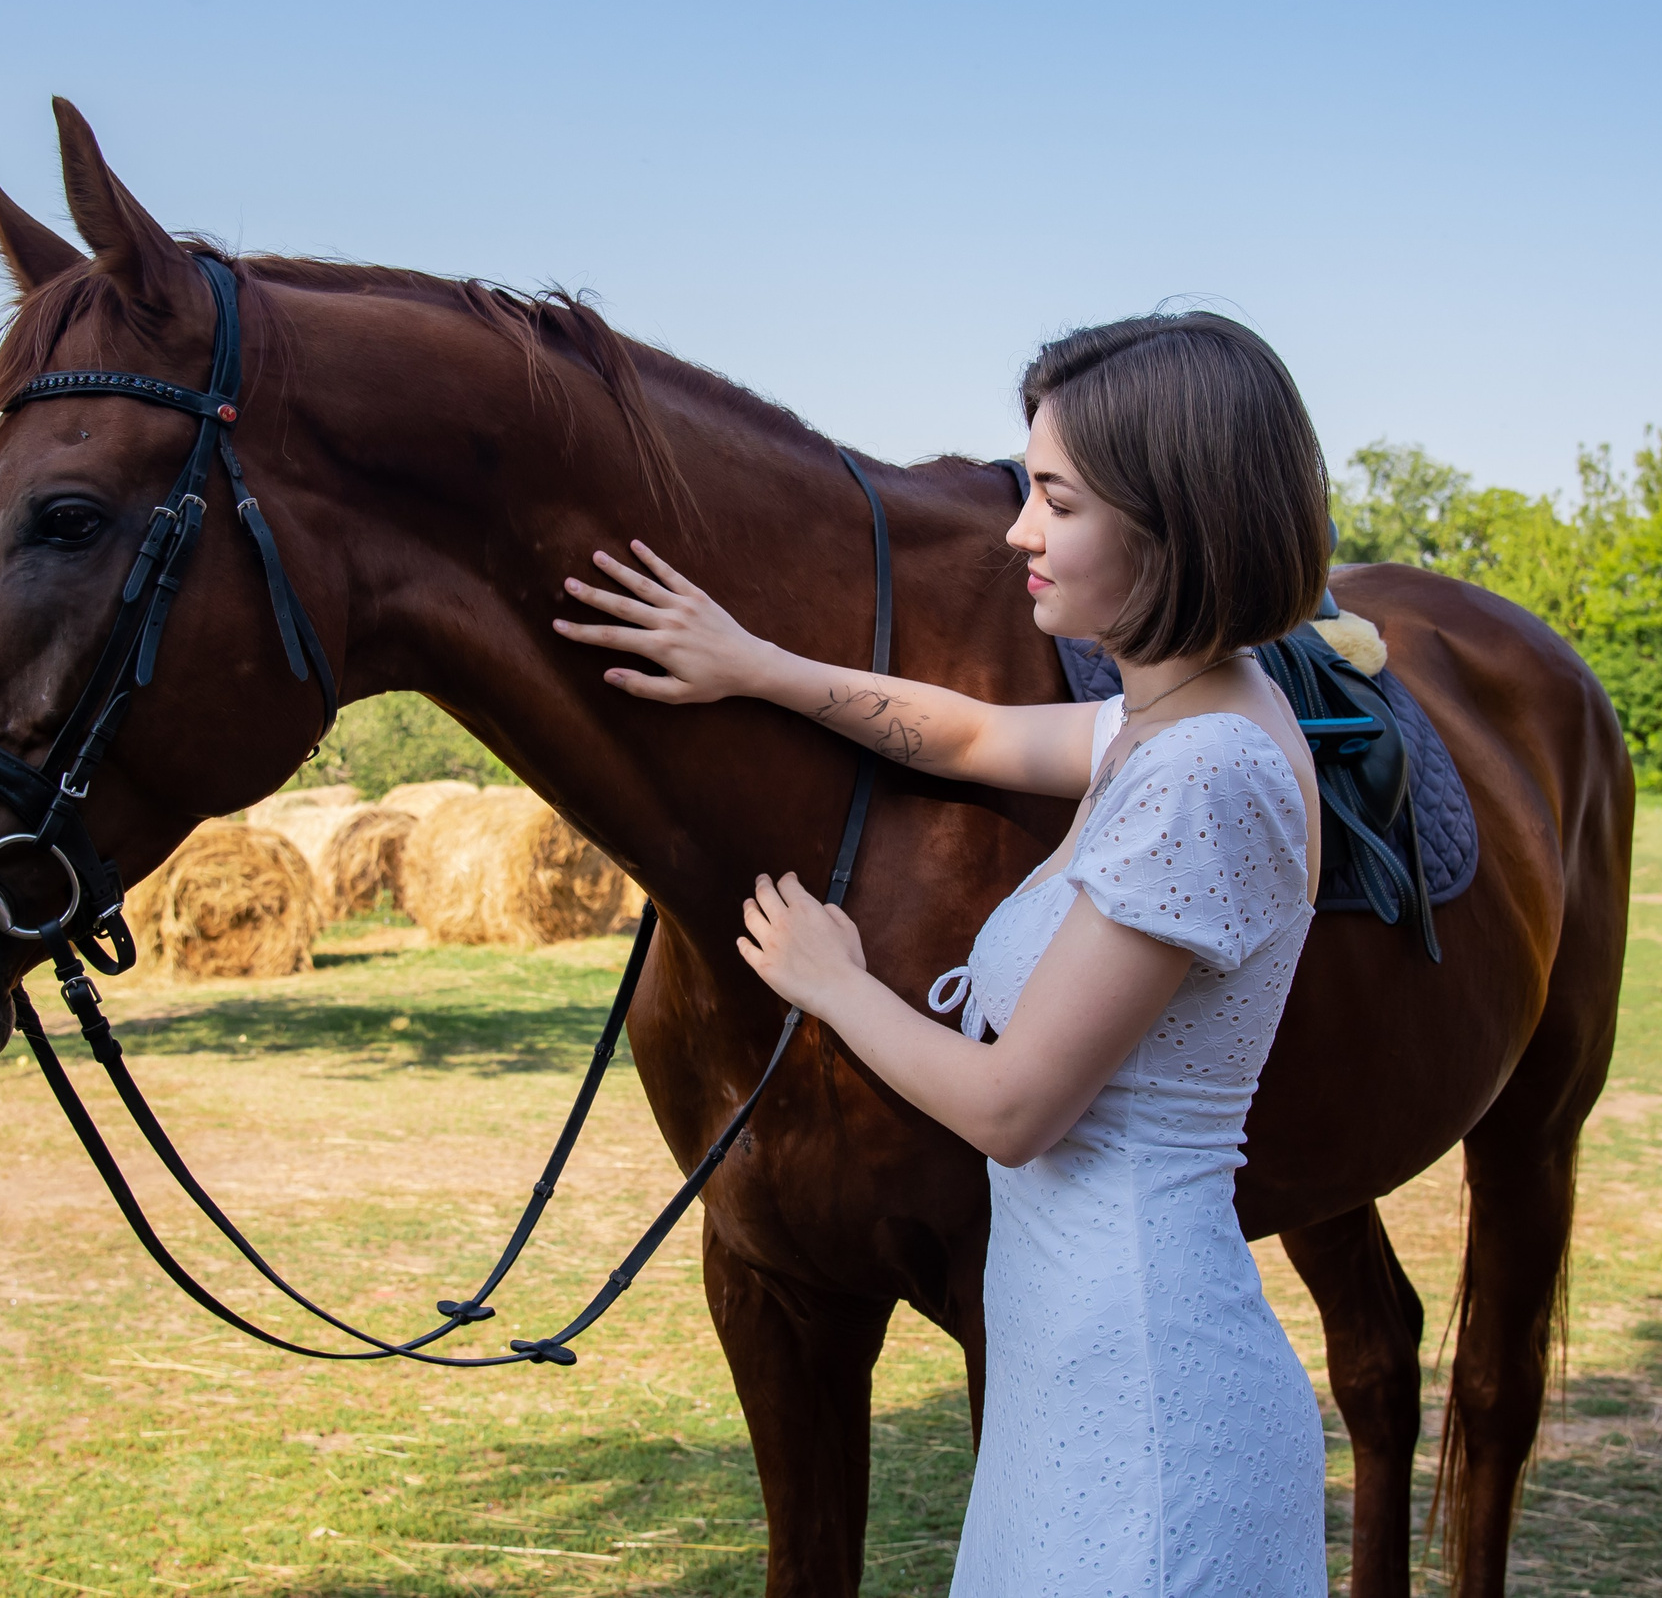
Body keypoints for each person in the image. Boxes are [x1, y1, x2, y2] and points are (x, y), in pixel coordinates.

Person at [552, 310, 1334, 1596]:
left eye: (1057, 500)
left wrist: (834, 985)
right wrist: (751, 663)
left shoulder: (1204, 770)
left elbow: (1014, 1106)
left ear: (1174, 519)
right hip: (1077, 1368)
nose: (1017, 529)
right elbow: (965, 735)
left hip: (1142, 1397)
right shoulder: (1175, 719)